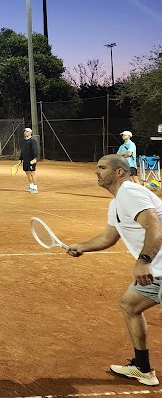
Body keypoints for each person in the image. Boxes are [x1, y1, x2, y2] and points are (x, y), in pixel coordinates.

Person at [66, 154, 162, 387]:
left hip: (156, 266)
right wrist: (81, 246)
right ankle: (142, 368)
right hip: (157, 271)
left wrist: (144, 260)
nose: (96, 172)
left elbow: (155, 226)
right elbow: (109, 237)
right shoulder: (117, 201)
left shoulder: (129, 192)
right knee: (129, 305)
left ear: (119, 172)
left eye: (102, 167)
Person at [20, 127, 40, 193]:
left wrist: (35, 158)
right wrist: (21, 159)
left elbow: (35, 150)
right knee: (27, 172)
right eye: (24, 131)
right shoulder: (23, 141)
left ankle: (35, 188)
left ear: (30, 133)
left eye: (26, 131)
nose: (25, 133)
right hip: (25, 160)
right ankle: (31, 186)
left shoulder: (33, 141)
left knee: (32, 173)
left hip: (31, 160)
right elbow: (22, 151)